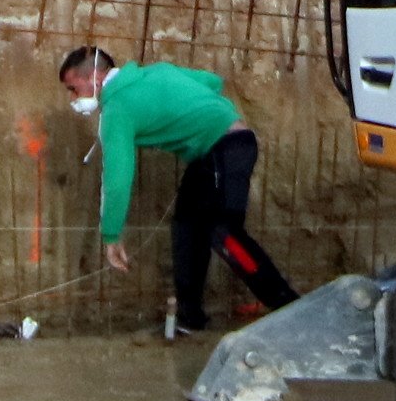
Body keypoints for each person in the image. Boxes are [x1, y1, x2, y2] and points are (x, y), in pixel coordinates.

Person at [62, 44, 300, 338]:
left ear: (95, 77)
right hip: (219, 150)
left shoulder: (116, 109)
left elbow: (117, 177)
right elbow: (212, 82)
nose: (73, 98)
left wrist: (111, 235)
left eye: (73, 89)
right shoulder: (156, 72)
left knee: (225, 234)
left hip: (224, 149)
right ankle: (190, 317)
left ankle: (289, 307)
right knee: (186, 226)